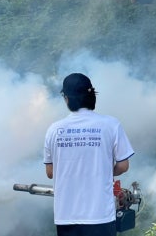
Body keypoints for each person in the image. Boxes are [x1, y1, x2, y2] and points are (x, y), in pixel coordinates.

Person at [44, 73, 134, 236]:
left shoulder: (54, 130)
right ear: (92, 96)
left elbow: (50, 172)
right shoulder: (111, 125)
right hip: (101, 217)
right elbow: (123, 165)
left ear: (67, 98)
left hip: (66, 217)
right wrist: (103, 170)